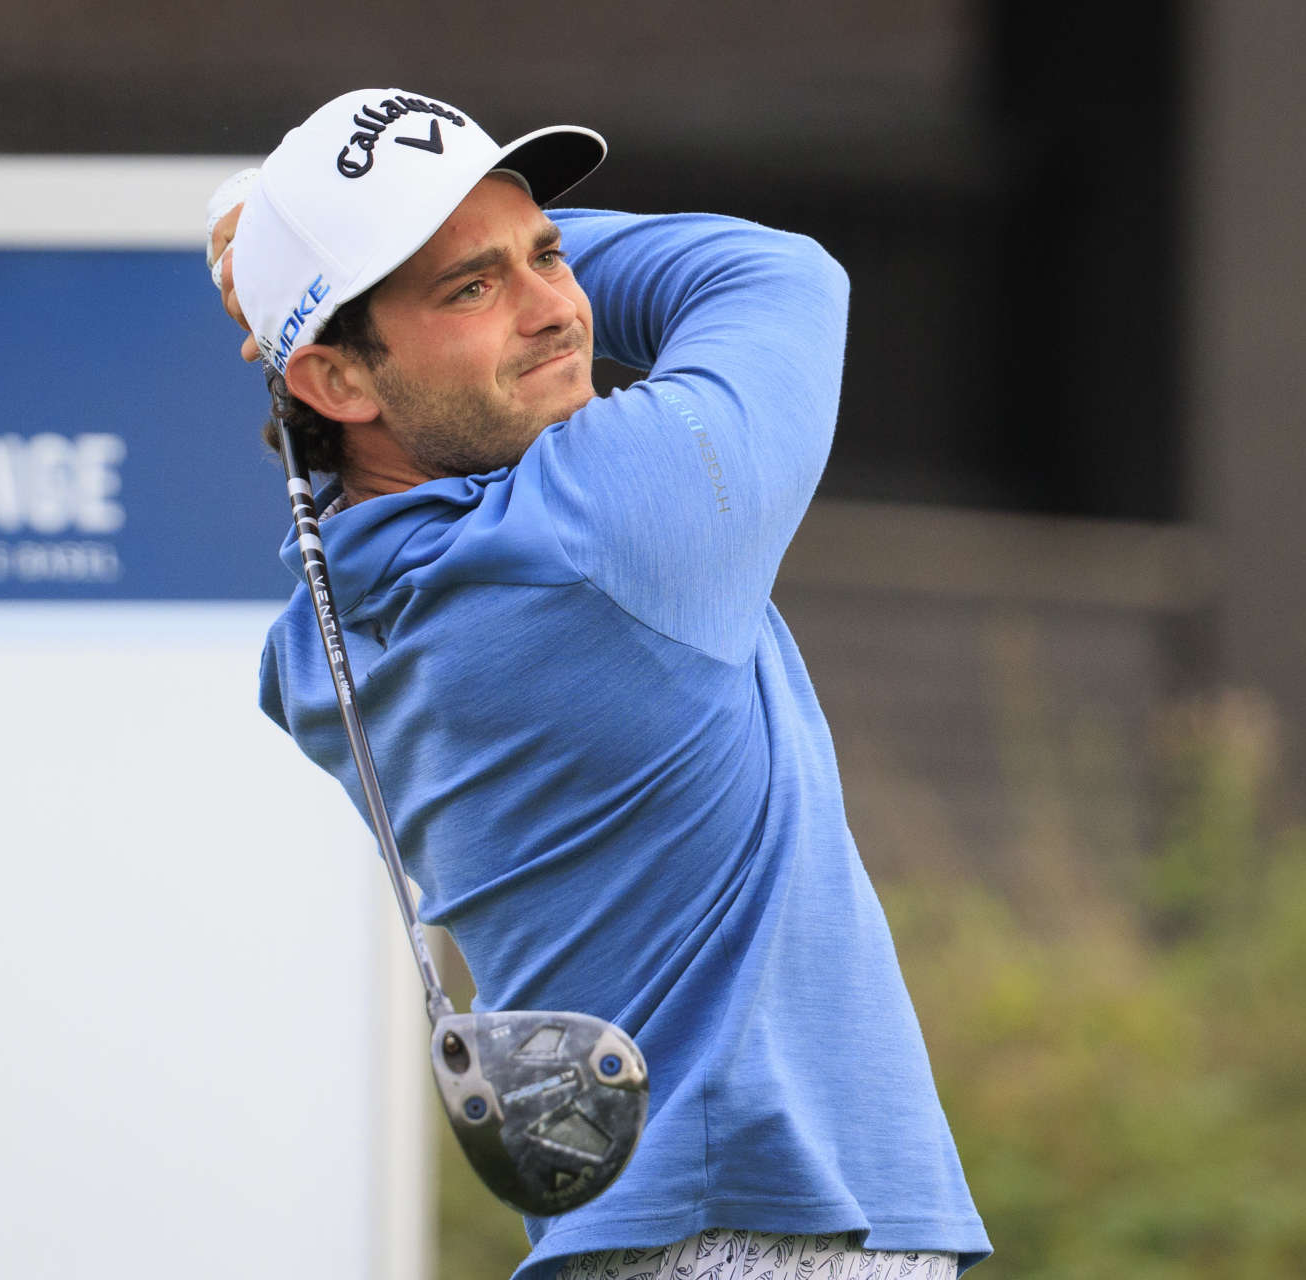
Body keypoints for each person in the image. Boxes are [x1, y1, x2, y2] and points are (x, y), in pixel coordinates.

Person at [205, 88, 991, 1280]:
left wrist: (306, 279)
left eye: (550, 252)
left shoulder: (314, 649)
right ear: (339, 383)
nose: (554, 310)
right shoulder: (607, 525)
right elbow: (776, 276)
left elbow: (341, 464)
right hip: (778, 1229)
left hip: (630, 1237)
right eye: (472, 287)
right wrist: (278, 248)